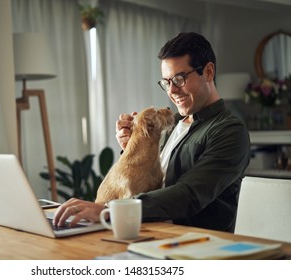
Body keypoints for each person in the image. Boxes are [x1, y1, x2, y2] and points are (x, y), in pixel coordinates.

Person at [53, 32, 250, 233]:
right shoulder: (170, 125)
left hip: (191, 245)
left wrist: (108, 210)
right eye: (166, 82)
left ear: (208, 72)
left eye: (179, 78)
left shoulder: (230, 131)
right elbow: (153, 181)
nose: (171, 90)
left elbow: (188, 195)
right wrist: (133, 148)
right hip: (146, 232)